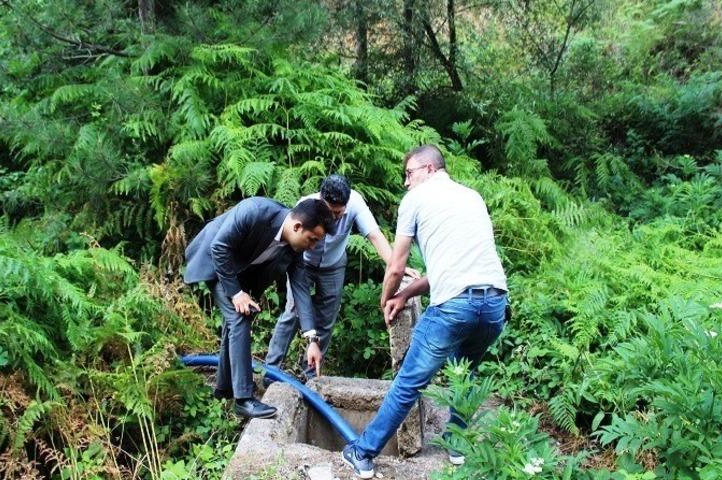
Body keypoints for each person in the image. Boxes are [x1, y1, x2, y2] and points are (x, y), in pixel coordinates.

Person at [341, 145, 509, 478]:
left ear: (429, 169)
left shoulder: (415, 200)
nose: (405, 183)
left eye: (409, 174)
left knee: (409, 382)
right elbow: (451, 271)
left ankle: (362, 453)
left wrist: (387, 297)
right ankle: (457, 448)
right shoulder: (472, 197)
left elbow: (396, 264)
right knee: (466, 373)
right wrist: (406, 294)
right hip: (495, 303)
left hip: (454, 307)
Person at [184, 197, 334, 419]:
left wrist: (312, 339)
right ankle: (243, 400)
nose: (312, 246)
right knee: (239, 317)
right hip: (215, 259)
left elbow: (301, 288)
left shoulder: (293, 247)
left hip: (240, 269)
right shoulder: (254, 211)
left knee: (234, 324)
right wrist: (236, 294)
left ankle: (224, 389)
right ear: (297, 226)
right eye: (312, 240)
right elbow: (219, 247)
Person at [264, 174, 414, 380]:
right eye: (331, 212)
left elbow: (375, 235)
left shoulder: (355, 203)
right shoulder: (306, 205)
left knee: (326, 319)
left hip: (333, 266)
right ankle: (271, 371)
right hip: (303, 264)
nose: (335, 218)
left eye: (339, 213)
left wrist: (394, 263)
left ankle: (310, 376)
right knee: (293, 313)